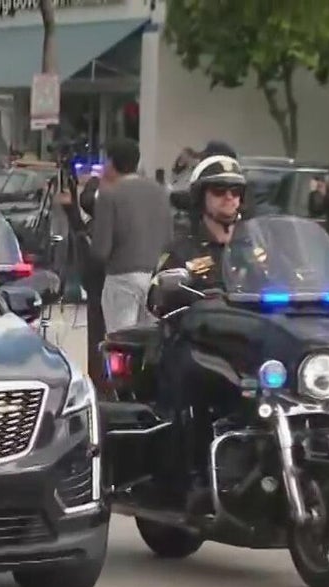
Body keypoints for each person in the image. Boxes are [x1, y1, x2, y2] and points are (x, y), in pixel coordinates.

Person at [147, 154, 249, 500]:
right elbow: (155, 295)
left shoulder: (254, 248)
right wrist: (176, 291)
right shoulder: (183, 249)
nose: (229, 198)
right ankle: (195, 474)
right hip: (198, 345)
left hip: (248, 345)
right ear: (201, 198)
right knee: (197, 381)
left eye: (235, 191)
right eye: (219, 190)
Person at [89, 139, 173, 333]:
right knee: (150, 337)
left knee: (120, 338)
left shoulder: (109, 194)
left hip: (122, 277)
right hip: (154, 276)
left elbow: (101, 250)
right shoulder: (159, 192)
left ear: (111, 163)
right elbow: (169, 237)